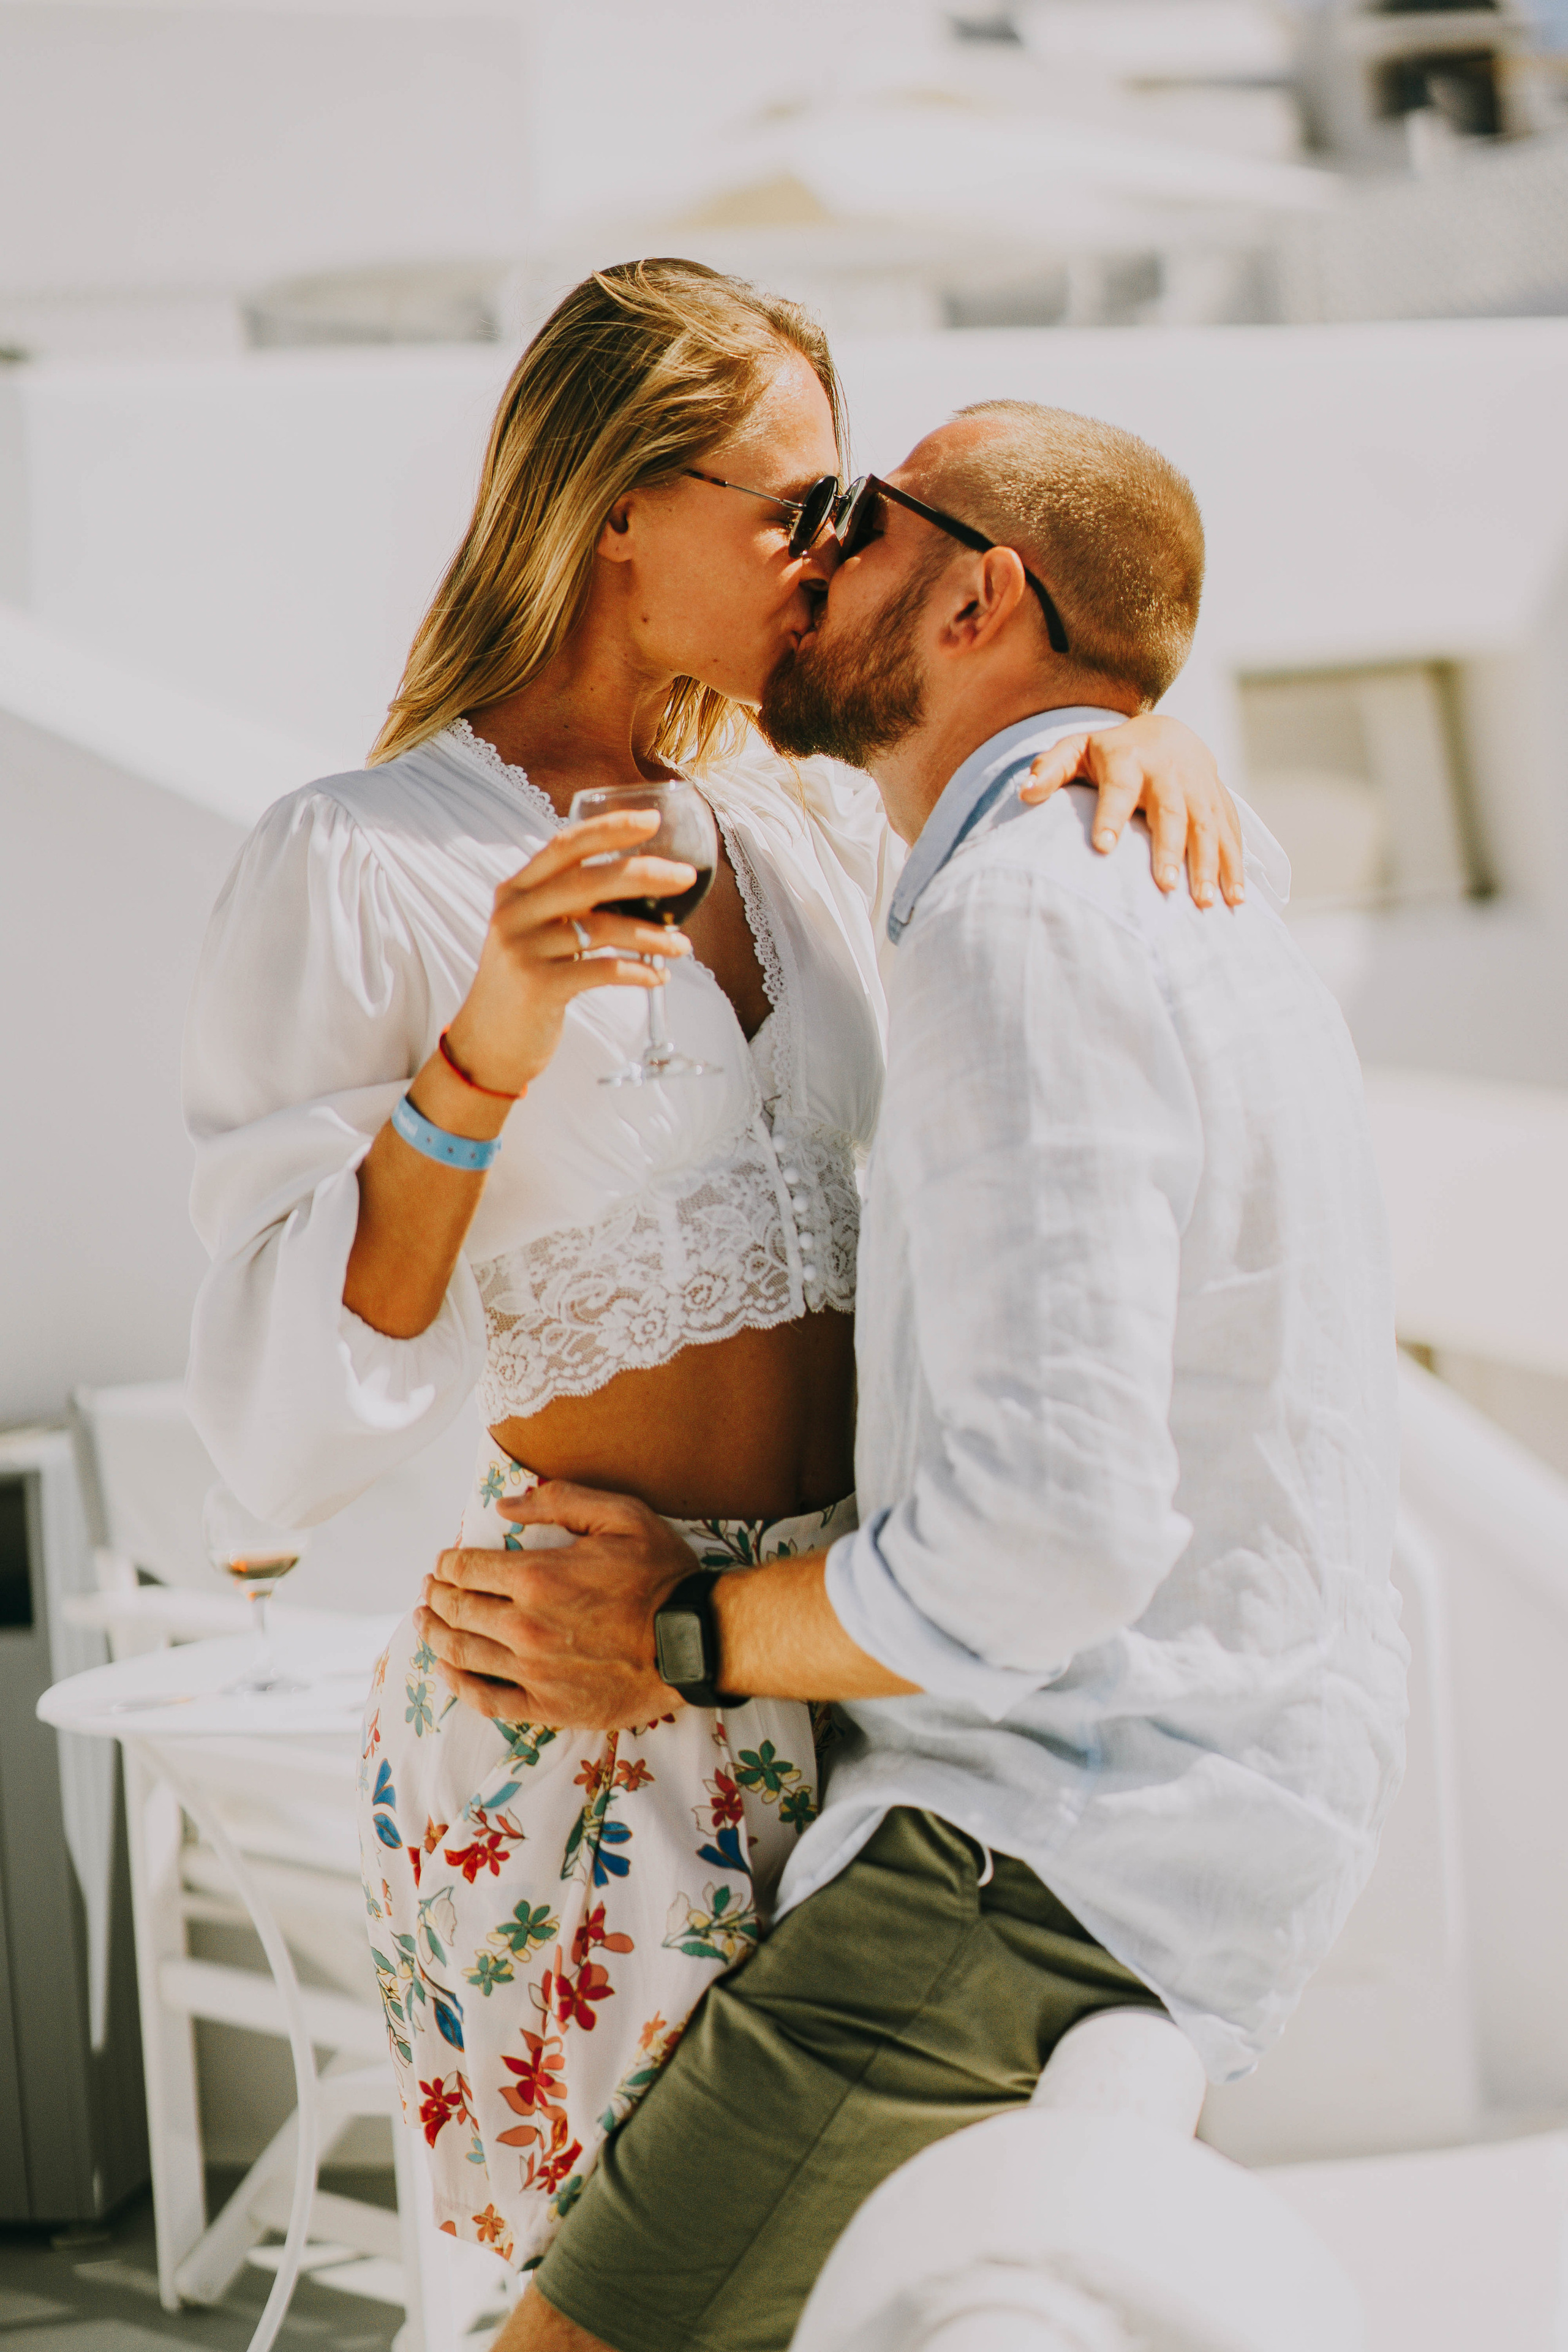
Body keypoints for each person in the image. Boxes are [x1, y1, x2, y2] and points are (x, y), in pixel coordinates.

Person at [182, 262, 1238, 2272]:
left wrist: (1148, 741)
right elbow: (267, 1414)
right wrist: (484, 1051)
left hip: (848, 1683)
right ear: (612, 507)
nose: (831, 558)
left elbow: (1022, 838)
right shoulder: (367, 863)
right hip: (581, 1721)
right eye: (798, 505)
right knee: (601, 2312)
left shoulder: (798, 835)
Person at [418, 400, 1409, 2352]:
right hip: (1151, 1828)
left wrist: (675, 1641)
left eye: (856, 518)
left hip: (1027, 1859)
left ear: (981, 593)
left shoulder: (1034, 908)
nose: (809, 556)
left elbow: (1051, 1530)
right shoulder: (1147, 863)